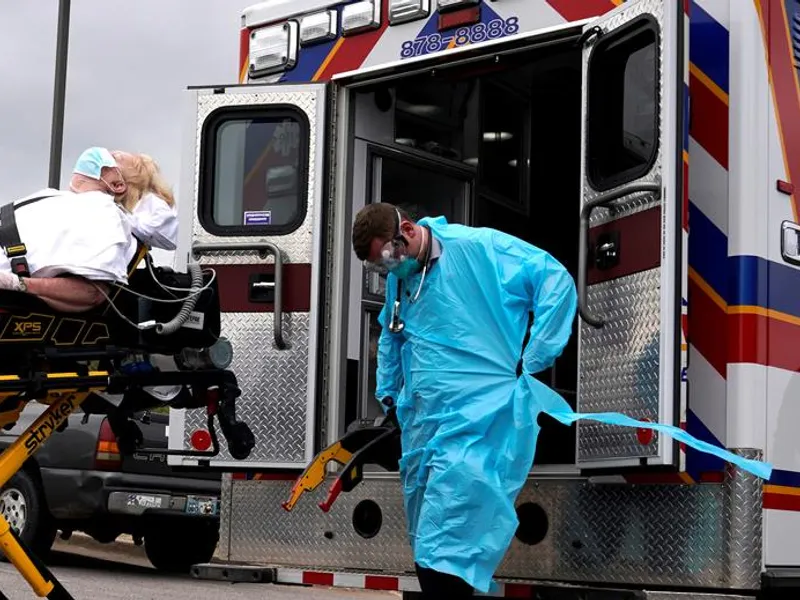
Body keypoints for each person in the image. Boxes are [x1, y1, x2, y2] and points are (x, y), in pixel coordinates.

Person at [351, 202, 774, 598]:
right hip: (424, 425)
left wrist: (534, 358)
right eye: (379, 265)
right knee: (428, 539)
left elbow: (553, 279)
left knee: (449, 542)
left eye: (388, 257)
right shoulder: (402, 280)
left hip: (477, 420)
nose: (389, 269)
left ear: (407, 230)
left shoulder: (479, 249)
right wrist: (389, 395)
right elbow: (393, 334)